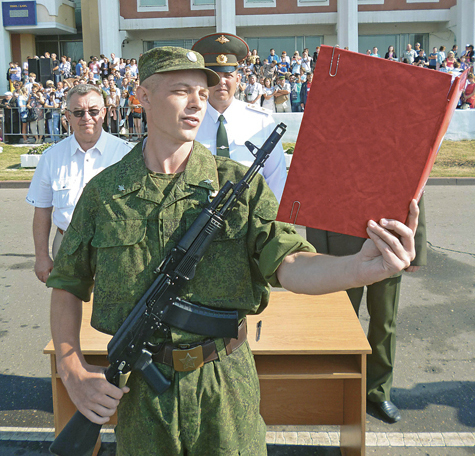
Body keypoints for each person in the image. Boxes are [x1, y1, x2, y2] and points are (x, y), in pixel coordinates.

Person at [45, 45, 418, 456]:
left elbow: (290, 262)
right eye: (181, 91)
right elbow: (66, 284)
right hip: (141, 394)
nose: (196, 103)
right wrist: (72, 368)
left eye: (202, 95)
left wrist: (360, 268)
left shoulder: (237, 186)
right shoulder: (104, 193)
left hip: (224, 384)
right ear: (143, 97)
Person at [306, 196, 427, 423]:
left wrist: (417, 247)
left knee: (384, 321)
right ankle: (337, 387)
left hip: (390, 243)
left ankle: (378, 390)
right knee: (340, 323)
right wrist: (317, 250)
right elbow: (321, 187)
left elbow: (416, 190)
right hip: (339, 244)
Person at [25, 84, 133, 283]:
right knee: (68, 309)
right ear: (67, 116)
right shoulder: (51, 157)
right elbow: (42, 209)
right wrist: (41, 257)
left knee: (115, 310)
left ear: (104, 113)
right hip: (67, 243)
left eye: (93, 111)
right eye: (78, 112)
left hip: (114, 246)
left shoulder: (127, 154)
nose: (86, 118)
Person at [193, 33, 288, 201]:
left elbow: (276, 179)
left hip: (251, 218)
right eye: (215, 75)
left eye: (228, 75)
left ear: (238, 79)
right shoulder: (190, 121)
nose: (222, 81)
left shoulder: (261, 122)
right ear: (204, 80)